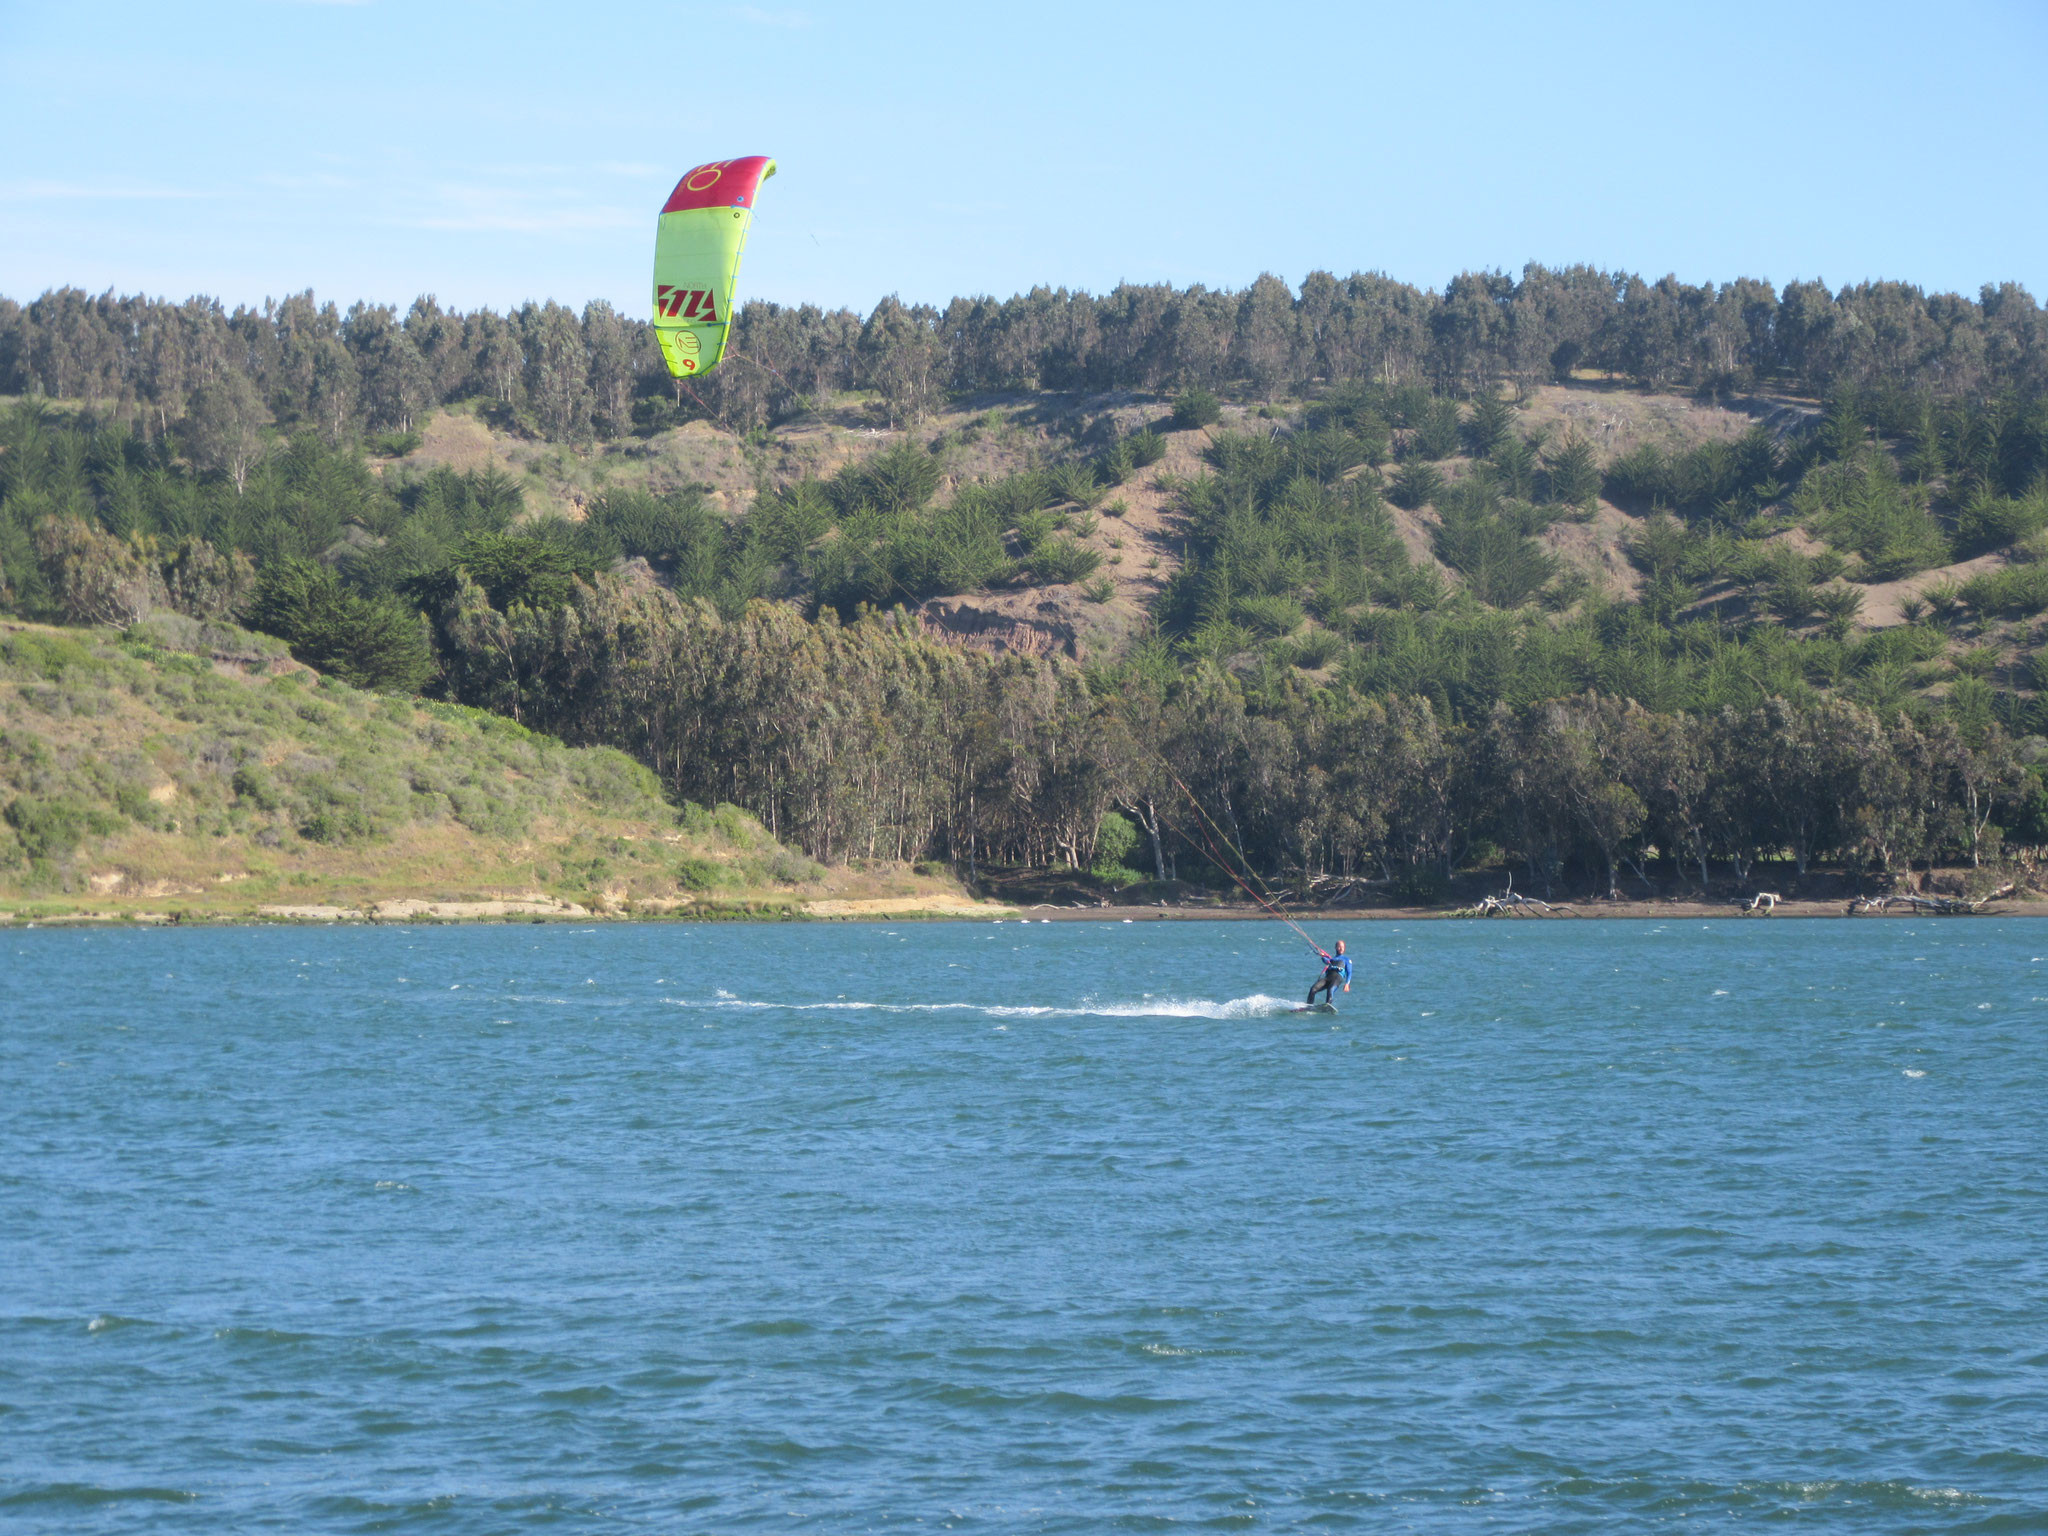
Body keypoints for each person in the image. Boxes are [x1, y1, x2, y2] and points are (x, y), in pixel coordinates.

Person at [1307, 939, 1350, 1006]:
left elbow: (1349, 972)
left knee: (1330, 990)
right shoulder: (1331, 959)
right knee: (1313, 989)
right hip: (1327, 978)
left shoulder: (1347, 960)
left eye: (1343, 947)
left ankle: (1327, 1005)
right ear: (1335, 948)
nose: (1341, 948)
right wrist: (1322, 955)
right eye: (1339, 946)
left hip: (1337, 978)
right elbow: (1326, 960)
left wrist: (1347, 984)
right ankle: (1308, 1006)